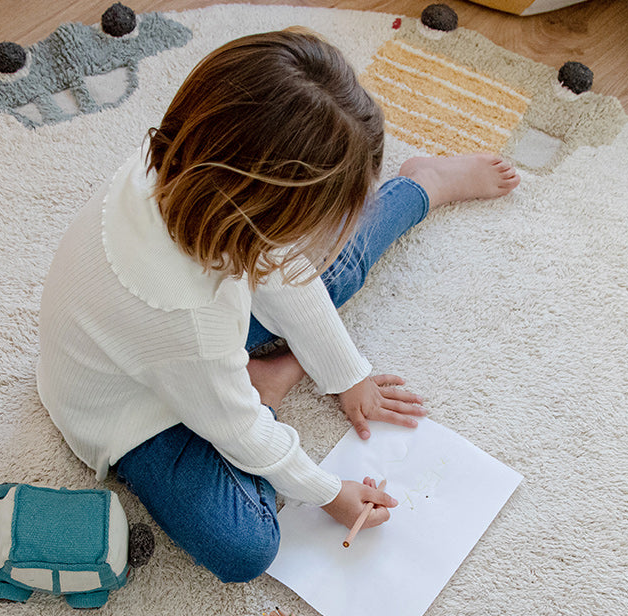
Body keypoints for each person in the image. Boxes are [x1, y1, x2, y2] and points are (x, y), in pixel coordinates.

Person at [37, 29, 519, 583]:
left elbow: (282, 271)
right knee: (244, 546)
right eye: (325, 220)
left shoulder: (193, 170)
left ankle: (421, 187)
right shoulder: (189, 317)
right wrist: (328, 491)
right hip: (131, 413)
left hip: (180, 338)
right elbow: (239, 431)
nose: (331, 231)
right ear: (264, 214)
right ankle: (264, 378)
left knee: (315, 275)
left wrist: (345, 375)